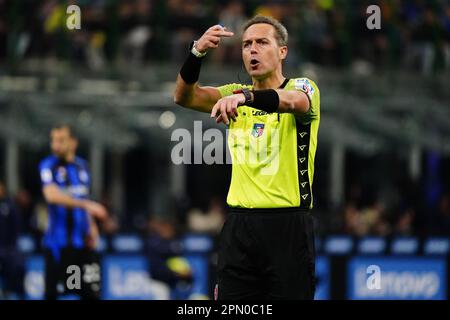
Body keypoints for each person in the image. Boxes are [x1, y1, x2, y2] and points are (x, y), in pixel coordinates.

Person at [174, 15, 320, 300]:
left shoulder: (303, 86)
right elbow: (183, 97)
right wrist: (196, 53)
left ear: (282, 51)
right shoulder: (232, 93)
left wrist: (247, 98)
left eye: (262, 42)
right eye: (246, 44)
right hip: (239, 229)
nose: (252, 49)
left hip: (287, 228)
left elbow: (295, 102)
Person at [39, 125, 108, 300]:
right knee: (55, 294)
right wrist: (87, 205)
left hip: (83, 245)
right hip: (58, 246)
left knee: (91, 293)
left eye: (61, 140)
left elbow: (84, 196)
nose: (56, 145)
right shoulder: (48, 166)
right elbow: (51, 196)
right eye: (53, 140)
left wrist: (92, 227)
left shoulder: (82, 166)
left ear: (73, 143)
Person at [0, 182, 25, 299]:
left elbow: (16, 225)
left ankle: (17, 292)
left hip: (9, 246)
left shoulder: (9, 205)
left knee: (17, 267)